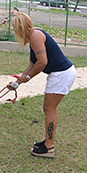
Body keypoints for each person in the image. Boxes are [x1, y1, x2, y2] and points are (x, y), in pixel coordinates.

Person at [10, 12, 77, 158]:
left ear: (21, 26)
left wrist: (27, 77)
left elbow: (43, 62)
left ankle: (49, 147)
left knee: (49, 109)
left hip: (61, 74)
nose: (14, 31)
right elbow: (32, 64)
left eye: (14, 27)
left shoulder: (35, 36)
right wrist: (17, 82)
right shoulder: (32, 37)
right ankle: (48, 141)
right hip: (59, 74)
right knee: (48, 108)